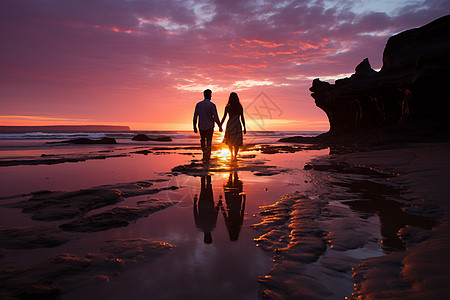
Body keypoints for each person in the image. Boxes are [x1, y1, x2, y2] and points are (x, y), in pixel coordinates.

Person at [193, 89, 222, 162]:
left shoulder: (199, 104)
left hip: (201, 126)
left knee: (203, 140)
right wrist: (220, 126)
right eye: (211, 95)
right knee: (209, 141)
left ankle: (204, 153)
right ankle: (207, 156)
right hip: (210, 126)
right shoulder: (212, 105)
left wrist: (194, 126)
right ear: (209, 95)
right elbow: (215, 117)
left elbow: (195, 116)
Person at [193, 175, 221, 244]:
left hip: (209, 203)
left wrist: (219, 203)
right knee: (202, 186)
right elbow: (195, 214)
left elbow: (215, 213)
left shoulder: (212, 226)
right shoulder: (199, 226)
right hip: (202, 203)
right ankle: (203, 172)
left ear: (210, 236)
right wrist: (195, 203)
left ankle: (207, 170)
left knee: (209, 185)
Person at [220, 171, 246, 241]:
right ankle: (232, 169)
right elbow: (224, 215)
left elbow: (242, 212)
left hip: (237, 203)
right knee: (230, 182)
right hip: (231, 203)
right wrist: (221, 204)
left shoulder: (238, 225)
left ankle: (234, 169)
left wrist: (244, 201)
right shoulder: (230, 225)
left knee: (235, 182)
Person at [220, 92, 246, 161]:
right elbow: (242, 118)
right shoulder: (240, 107)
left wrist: (220, 125)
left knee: (230, 141)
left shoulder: (228, 107)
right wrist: (244, 127)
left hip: (230, 124)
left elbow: (224, 117)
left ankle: (231, 154)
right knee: (236, 141)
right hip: (237, 123)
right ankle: (235, 156)